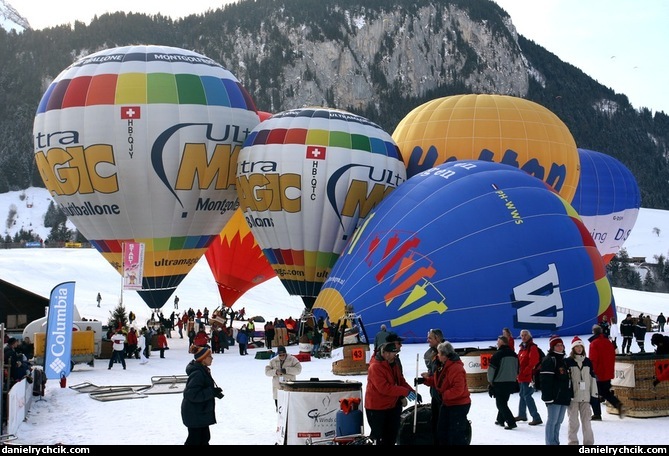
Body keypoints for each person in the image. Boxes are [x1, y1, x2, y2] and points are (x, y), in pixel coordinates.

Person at [364, 341, 419, 446]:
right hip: (377, 408)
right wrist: (405, 392)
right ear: (385, 353)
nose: (396, 356)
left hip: (392, 406)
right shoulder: (375, 367)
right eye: (394, 354)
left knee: (391, 436)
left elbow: (401, 381)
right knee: (379, 437)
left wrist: (412, 391)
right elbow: (384, 388)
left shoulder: (394, 364)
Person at [418, 341, 470, 445]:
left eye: (439, 353)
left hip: (458, 405)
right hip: (447, 404)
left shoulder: (456, 368)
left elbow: (458, 389)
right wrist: (425, 381)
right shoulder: (442, 366)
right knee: (442, 432)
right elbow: (439, 382)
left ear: (445, 355)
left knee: (455, 435)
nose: (437, 355)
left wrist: (443, 395)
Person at [181, 344, 223, 445]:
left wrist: (213, 392)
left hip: (198, 413)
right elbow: (191, 394)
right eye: (210, 356)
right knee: (195, 440)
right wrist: (211, 392)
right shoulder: (198, 373)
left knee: (204, 438)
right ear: (203, 359)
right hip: (194, 413)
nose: (212, 358)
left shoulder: (202, 370)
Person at [565, 336, 598, 445]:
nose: (579, 349)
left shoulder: (588, 362)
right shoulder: (568, 362)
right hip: (573, 397)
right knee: (573, 423)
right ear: (573, 349)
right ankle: (573, 442)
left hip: (586, 397)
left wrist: (594, 395)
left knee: (587, 423)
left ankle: (589, 444)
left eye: (581, 346)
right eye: (576, 347)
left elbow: (593, 379)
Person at [540, 335, 572, 445]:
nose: (560, 347)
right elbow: (545, 380)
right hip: (554, 396)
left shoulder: (563, 360)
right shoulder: (550, 360)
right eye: (557, 345)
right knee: (552, 421)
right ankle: (550, 442)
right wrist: (547, 397)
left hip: (563, 396)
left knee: (559, 421)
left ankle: (555, 442)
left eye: (561, 345)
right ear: (552, 347)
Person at [589, 324, 624, 420]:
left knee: (594, 393)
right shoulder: (608, 342)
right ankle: (617, 403)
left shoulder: (594, 344)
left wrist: (592, 371)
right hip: (608, 372)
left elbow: (593, 359)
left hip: (598, 373)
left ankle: (597, 413)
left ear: (593, 332)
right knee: (604, 391)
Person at [416, 328, 444, 443]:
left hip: (444, 394)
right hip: (435, 393)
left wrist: (428, 379)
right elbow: (435, 373)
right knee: (435, 419)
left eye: (430, 338)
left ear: (437, 338)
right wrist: (429, 375)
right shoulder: (430, 353)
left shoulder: (445, 353)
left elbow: (442, 376)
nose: (428, 340)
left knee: (442, 422)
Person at [487, 335, 519, 430]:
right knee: (504, 401)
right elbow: (518, 369)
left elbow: (491, 370)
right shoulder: (514, 354)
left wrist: (490, 381)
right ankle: (500, 419)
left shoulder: (497, 355)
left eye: (498, 342)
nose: (497, 343)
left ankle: (511, 422)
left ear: (501, 343)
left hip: (499, 383)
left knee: (500, 404)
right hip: (511, 382)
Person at [516, 329, 543, 426]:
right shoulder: (522, 348)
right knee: (522, 394)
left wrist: (526, 371)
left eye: (525, 335)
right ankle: (522, 414)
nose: (523, 337)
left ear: (529, 336)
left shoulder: (532, 347)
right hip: (522, 376)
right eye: (522, 335)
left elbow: (534, 361)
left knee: (527, 395)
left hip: (528, 376)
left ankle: (536, 417)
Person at [264, 346, 302, 411]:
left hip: (289, 387)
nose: (282, 356)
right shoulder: (273, 361)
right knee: (279, 411)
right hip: (277, 389)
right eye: (280, 355)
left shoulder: (292, 359)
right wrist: (275, 372)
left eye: (283, 355)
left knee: (290, 410)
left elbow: (298, 370)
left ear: (286, 353)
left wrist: (287, 370)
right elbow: (267, 372)